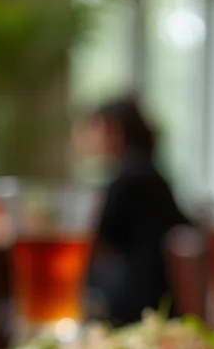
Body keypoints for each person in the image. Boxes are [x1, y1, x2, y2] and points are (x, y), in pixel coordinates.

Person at [78, 97, 188, 324]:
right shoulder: (153, 174)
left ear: (114, 129)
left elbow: (93, 241)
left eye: (94, 128)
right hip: (163, 295)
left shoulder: (129, 178)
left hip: (131, 302)